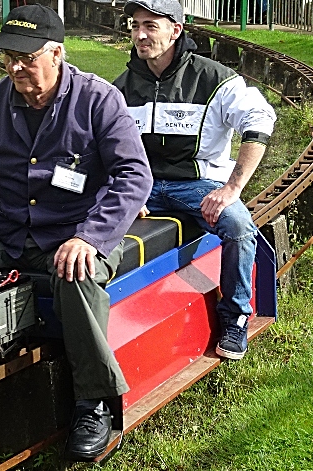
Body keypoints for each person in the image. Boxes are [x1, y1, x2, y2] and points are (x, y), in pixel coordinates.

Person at [0, 4, 152, 461]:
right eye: (7, 57)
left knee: (76, 275)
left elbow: (134, 177)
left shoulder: (98, 100)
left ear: (56, 53)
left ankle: (92, 400)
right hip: (7, 234)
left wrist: (91, 238)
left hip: (74, 234)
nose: (15, 67)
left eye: (26, 57)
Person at [114, 0, 277, 361]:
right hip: (143, 187)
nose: (140, 34)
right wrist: (125, 192)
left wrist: (231, 188)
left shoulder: (215, 79)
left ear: (176, 29)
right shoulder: (121, 87)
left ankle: (235, 317)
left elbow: (261, 118)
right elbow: (105, 149)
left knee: (239, 225)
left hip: (198, 185)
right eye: (135, 24)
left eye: (150, 26)